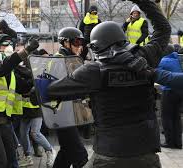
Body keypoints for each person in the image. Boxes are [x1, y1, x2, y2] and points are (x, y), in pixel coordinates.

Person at [45, 0, 170, 167]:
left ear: (96, 46)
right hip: (147, 153)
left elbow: (52, 90)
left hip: (108, 155)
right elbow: (164, 28)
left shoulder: (92, 71)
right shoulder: (145, 57)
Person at [0, 35, 39, 168]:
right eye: (5, 44)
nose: (9, 47)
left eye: (11, 44)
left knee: (11, 158)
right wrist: (25, 51)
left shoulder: (11, 69)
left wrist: (37, 72)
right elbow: (3, 67)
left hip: (5, 119)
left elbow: (24, 87)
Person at [47, 27, 89, 168]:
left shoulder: (72, 59)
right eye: (76, 42)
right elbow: (56, 87)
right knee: (80, 156)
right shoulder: (59, 59)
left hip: (69, 113)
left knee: (66, 153)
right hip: (62, 114)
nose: (80, 46)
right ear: (65, 43)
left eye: (81, 42)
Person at [157, 44, 182, 149]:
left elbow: (156, 74)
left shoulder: (163, 61)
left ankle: (169, 142)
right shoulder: (178, 59)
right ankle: (178, 142)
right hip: (180, 90)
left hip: (169, 91)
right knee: (176, 117)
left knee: (166, 117)